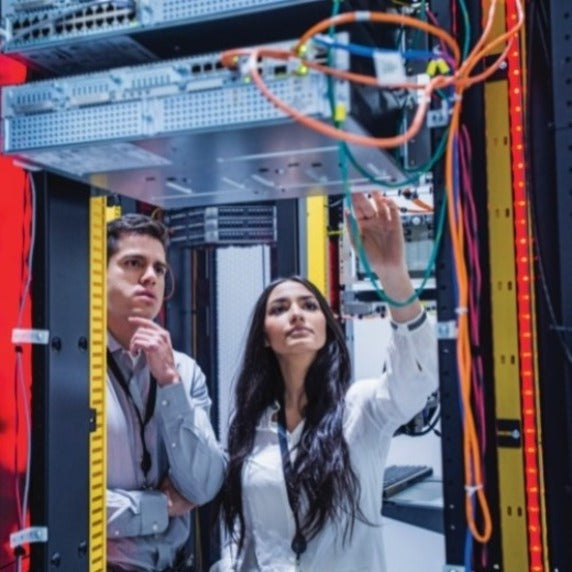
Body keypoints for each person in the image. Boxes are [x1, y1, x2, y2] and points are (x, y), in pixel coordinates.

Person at [215, 192, 438, 571]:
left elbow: (419, 377)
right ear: (265, 336)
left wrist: (393, 277)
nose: (296, 315)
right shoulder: (252, 427)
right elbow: (246, 539)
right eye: (280, 309)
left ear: (326, 328)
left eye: (309, 305)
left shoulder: (362, 408)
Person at [106, 213, 226, 571]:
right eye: (133, 263)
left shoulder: (184, 371)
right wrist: (162, 506)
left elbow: (204, 484)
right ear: (97, 271)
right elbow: (66, 502)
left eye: (159, 269)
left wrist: (170, 382)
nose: (150, 277)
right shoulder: (70, 369)